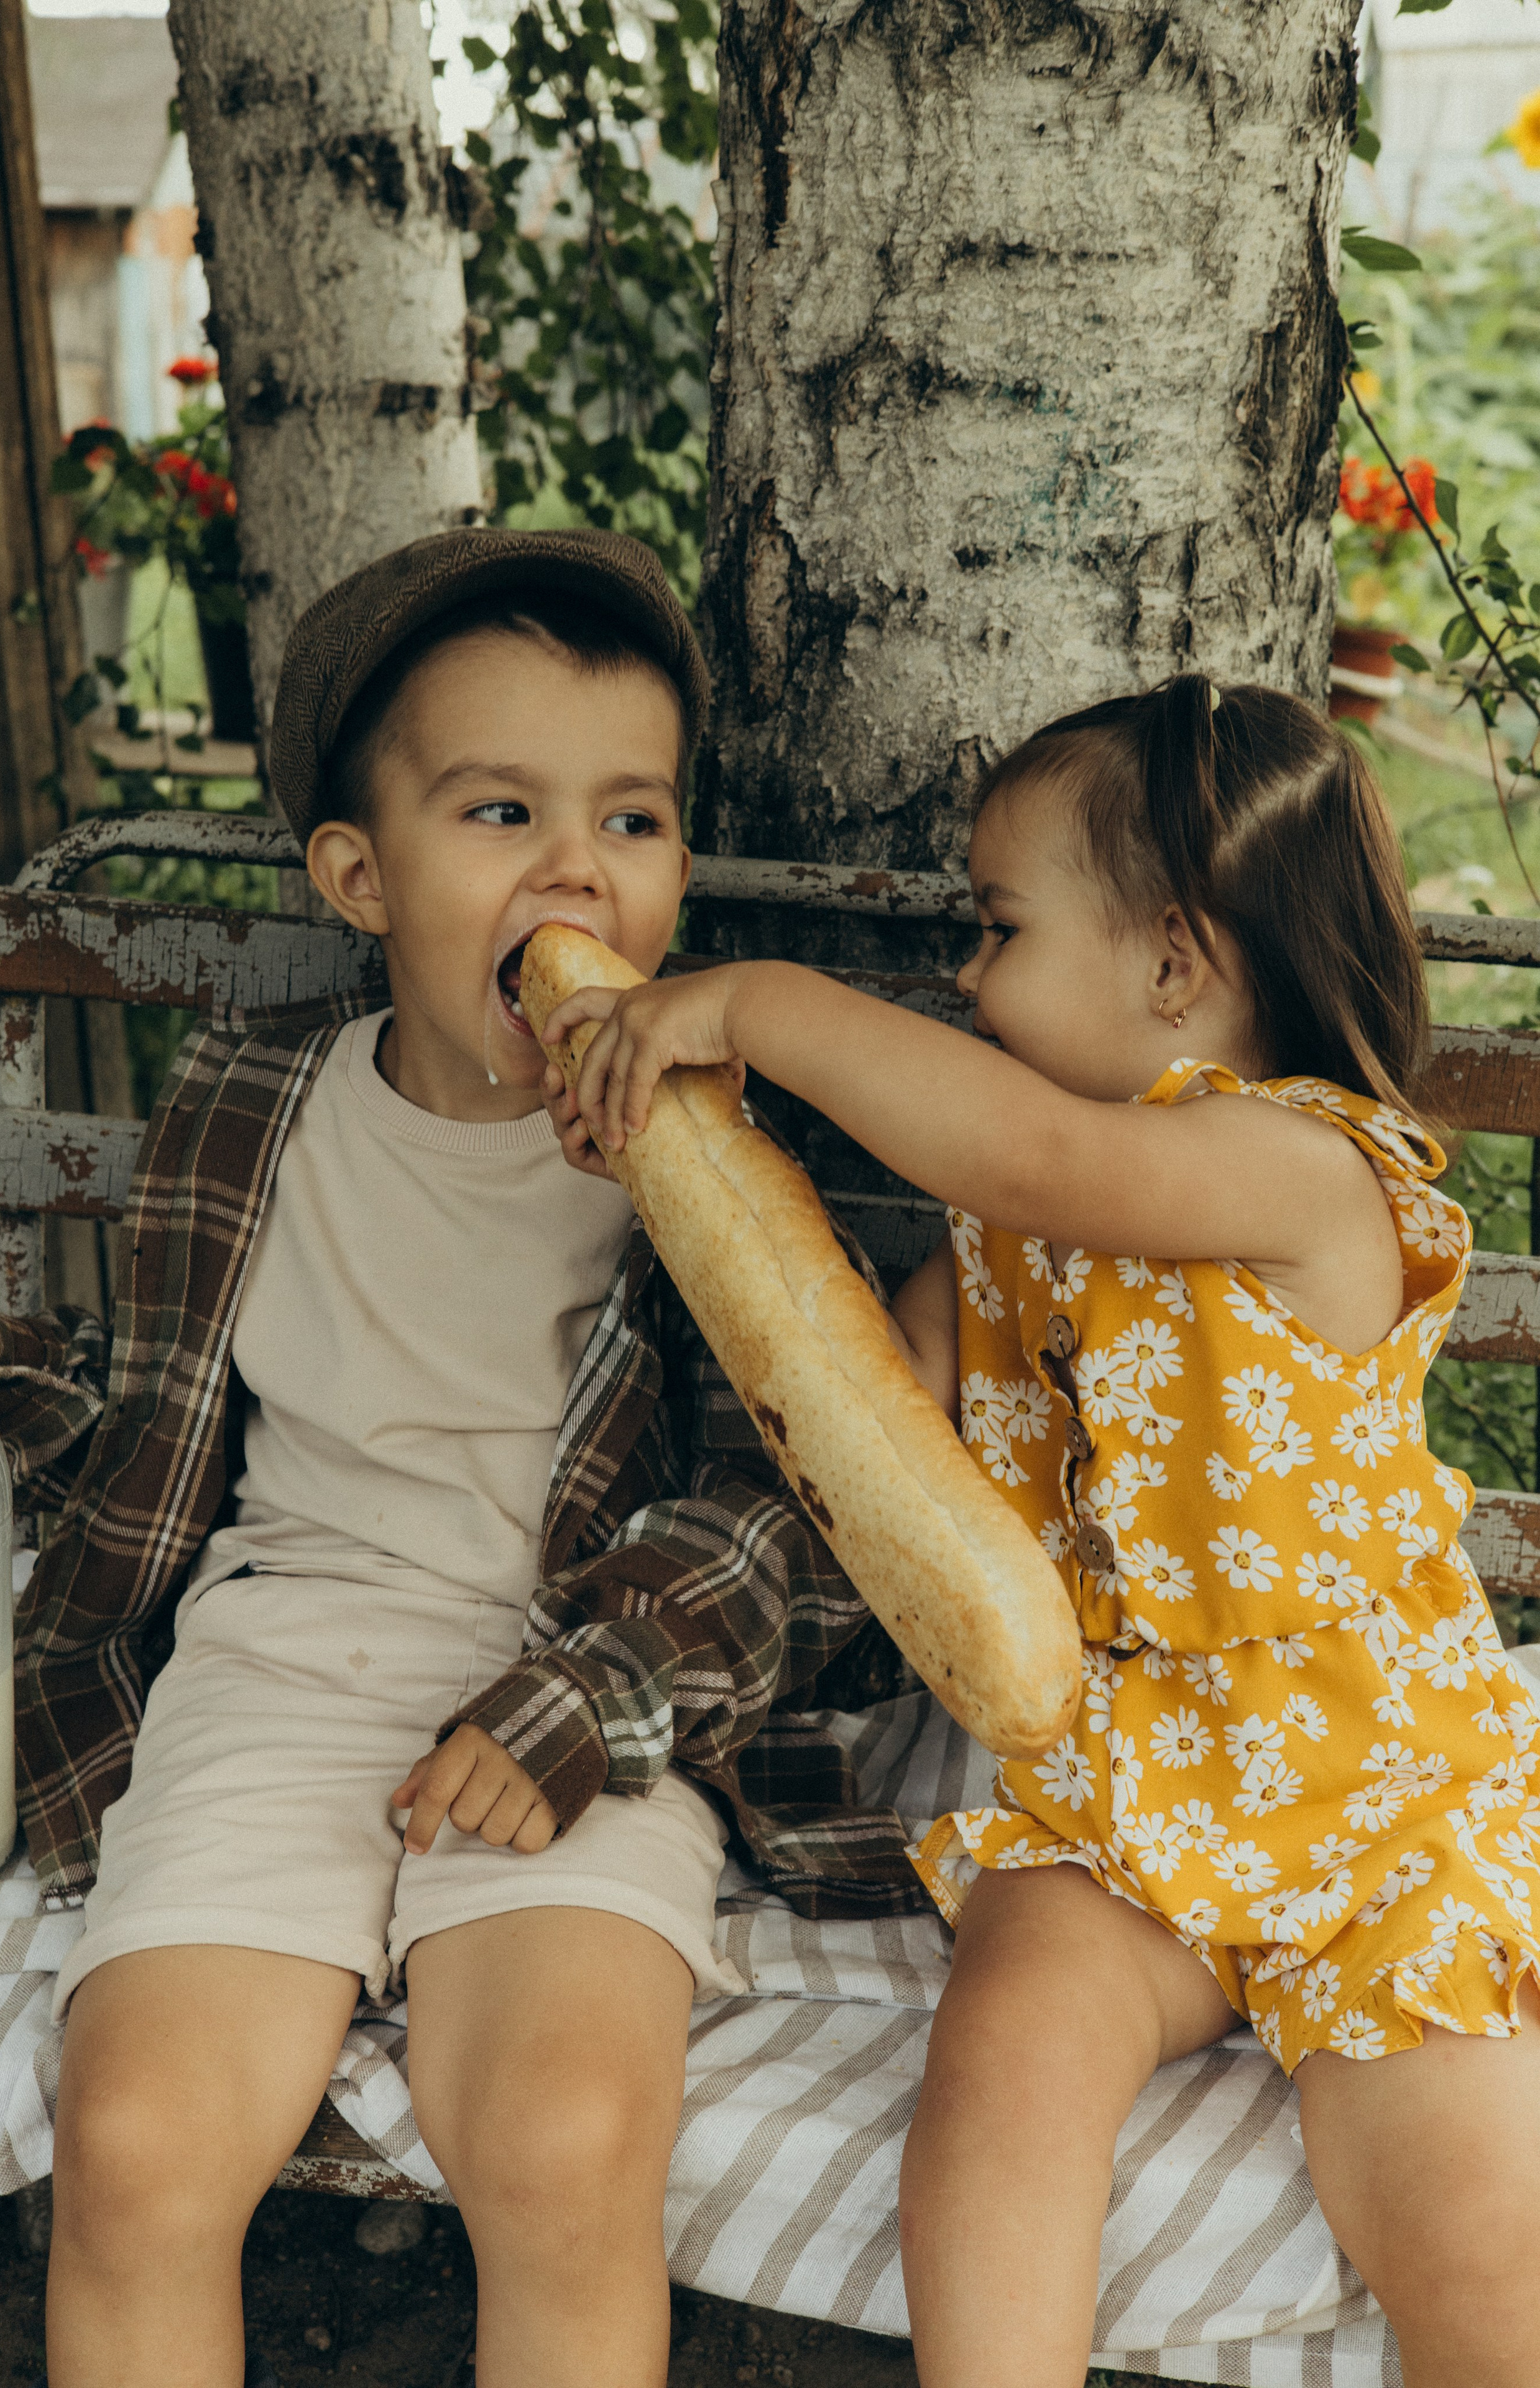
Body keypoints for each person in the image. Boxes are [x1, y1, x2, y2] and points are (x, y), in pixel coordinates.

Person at [0, 529, 923, 2388]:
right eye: (500, 812)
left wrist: (596, 1695)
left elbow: (783, 1512)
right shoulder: (252, 1103)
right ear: (359, 876)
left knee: (560, 2140)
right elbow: (176, 1407)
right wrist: (4, 1368)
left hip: (590, 1675)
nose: (576, 869)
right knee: (137, 2144)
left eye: (633, 820)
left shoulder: (709, 1164)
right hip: (282, 1655)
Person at [543, 673, 1540, 2387]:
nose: (966, 973)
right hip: (1120, 1787)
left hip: (1370, 1798)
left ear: (1174, 966)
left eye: (999, 928)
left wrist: (757, 1002)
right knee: (1002, 2072)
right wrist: (678, 1162)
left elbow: (1036, 1158)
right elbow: (870, 1413)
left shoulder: (1301, 1169)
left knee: (1467, 2213)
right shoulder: (1011, 1222)